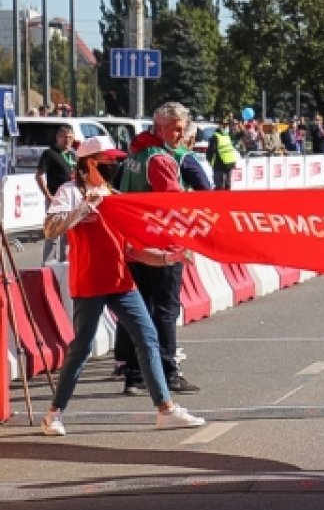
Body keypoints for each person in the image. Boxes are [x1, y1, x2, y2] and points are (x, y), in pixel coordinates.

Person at [39, 136, 204, 437]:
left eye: (116, 159)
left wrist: (170, 256)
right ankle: (53, 414)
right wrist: (83, 209)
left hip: (121, 282)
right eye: (109, 160)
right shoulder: (71, 191)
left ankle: (165, 409)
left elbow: (132, 250)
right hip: (89, 283)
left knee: (148, 337)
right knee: (82, 349)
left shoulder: (114, 194)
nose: (115, 164)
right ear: (91, 162)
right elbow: (50, 228)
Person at [113, 102, 199, 396]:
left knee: (139, 309)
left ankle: (134, 373)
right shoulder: (161, 160)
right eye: (175, 128)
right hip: (162, 245)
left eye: (181, 128)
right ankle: (168, 371)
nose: (180, 134)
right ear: (160, 126)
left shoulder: (134, 154)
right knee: (165, 309)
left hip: (134, 244)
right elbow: (173, 204)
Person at [35, 124, 75, 264]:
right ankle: (47, 267)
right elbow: (39, 176)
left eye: (70, 137)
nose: (67, 140)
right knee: (53, 236)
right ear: (58, 137)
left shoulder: (74, 154)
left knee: (68, 237)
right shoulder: (49, 154)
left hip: (72, 201)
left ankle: (64, 267)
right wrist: (49, 196)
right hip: (56, 200)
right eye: (64, 137)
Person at [206, 119, 239, 190]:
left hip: (226, 164)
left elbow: (211, 151)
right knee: (221, 186)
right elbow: (211, 151)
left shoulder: (227, 135)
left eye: (226, 124)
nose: (225, 126)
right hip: (220, 164)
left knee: (225, 185)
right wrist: (211, 162)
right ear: (219, 125)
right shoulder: (216, 136)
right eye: (224, 124)